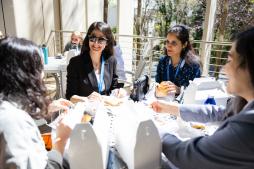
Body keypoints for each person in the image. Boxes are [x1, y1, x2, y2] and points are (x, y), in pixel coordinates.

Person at [152, 27, 254, 169]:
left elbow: (189, 156)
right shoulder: (242, 104)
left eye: (230, 60)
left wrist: (156, 133)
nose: (224, 69)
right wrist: (171, 108)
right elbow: (218, 112)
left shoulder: (248, 125)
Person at [0, 37, 73, 169]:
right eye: (39, 68)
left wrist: (47, 108)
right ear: (24, 74)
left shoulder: (7, 107)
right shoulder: (13, 121)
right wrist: (61, 139)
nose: (43, 75)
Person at [66, 22, 120, 101]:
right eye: (92, 38)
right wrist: (86, 99)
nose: (96, 43)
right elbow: (70, 95)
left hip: (106, 109)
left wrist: (119, 91)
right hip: (84, 110)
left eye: (101, 40)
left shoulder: (111, 61)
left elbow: (114, 88)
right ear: (88, 39)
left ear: (107, 42)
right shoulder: (75, 63)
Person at [155, 25, 201, 96]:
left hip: (182, 106)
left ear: (184, 44)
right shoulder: (162, 62)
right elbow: (157, 83)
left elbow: (195, 93)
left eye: (174, 43)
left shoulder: (193, 66)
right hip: (163, 102)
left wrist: (179, 90)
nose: (168, 46)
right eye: (167, 42)